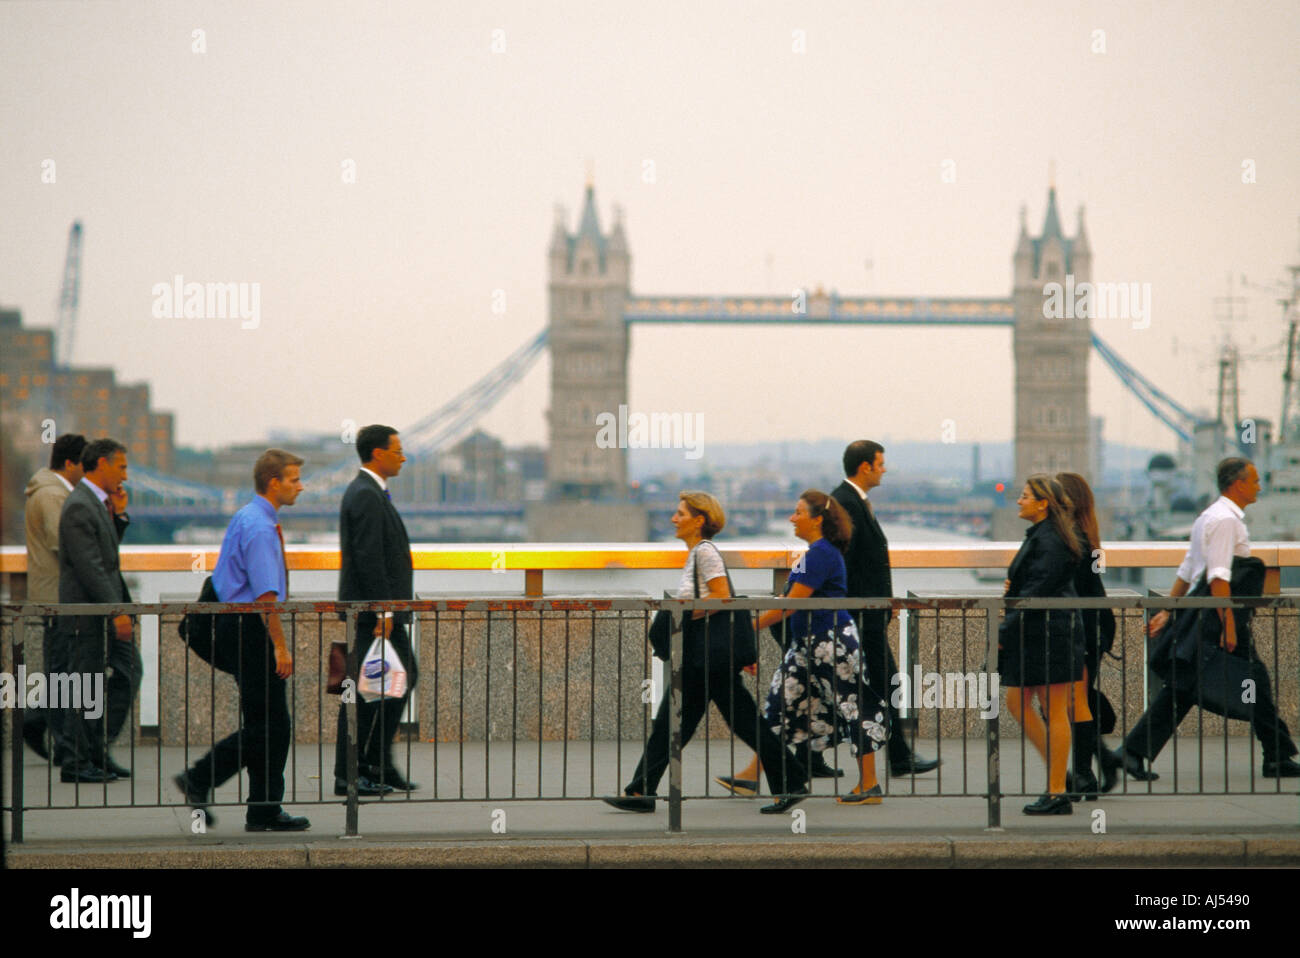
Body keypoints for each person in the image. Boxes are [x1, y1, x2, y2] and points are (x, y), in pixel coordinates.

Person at [603, 491, 810, 815]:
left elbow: (721, 597)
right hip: (705, 660)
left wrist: (680, 616)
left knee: (707, 723)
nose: (674, 519)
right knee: (684, 724)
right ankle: (641, 789)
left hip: (705, 660)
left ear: (699, 520)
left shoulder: (704, 553)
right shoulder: (699, 554)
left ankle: (642, 790)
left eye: (680, 514)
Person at [1106, 458, 1300, 783]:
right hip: (1219, 614)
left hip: (1201, 611)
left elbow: (1188, 569)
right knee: (1254, 681)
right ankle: (1276, 756)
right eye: (1254, 481)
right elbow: (1219, 576)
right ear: (1237, 484)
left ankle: (1132, 753)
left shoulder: (1207, 516)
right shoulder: (1227, 522)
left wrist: (1169, 609)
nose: (1259, 486)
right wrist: (1228, 625)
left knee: (1185, 685)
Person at [175, 449, 310, 832]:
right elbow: (266, 596)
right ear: (274, 483)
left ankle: (264, 809)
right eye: (294, 479)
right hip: (249, 629)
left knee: (266, 721)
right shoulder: (260, 528)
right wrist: (280, 647)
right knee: (270, 726)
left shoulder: (247, 516)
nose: (301, 486)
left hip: (235, 624)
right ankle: (201, 778)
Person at [756, 490, 891, 805]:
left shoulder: (820, 554)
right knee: (778, 706)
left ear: (817, 519)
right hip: (808, 645)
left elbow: (789, 604)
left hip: (830, 643)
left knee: (853, 708)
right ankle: (753, 776)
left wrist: (744, 626)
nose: (792, 517)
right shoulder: (817, 553)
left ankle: (869, 785)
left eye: (798, 512)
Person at [831, 441, 937, 776]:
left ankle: (898, 756)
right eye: (880, 463)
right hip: (861, 613)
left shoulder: (852, 501)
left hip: (868, 611)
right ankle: (898, 758)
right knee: (881, 681)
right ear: (865, 467)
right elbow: (847, 560)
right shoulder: (847, 502)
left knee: (874, 683)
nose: (884, 469)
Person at [333, 425, 417, 796]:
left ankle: (377, 763)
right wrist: (383, 611)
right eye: (397, 451)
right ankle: (349, 774)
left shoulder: (371, 492)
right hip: (374, 614)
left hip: (384, 612)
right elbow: (368, 558)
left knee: (397, 681)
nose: (403, 456)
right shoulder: (366, 494)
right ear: (378, 454)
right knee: (364, 692)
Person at [999, 474, 1088, 815]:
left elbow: (1038, 588)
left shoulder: (1049, 539)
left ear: (1042, 504)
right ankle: (1058, 777)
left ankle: (1057, 790)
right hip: (1042, 632)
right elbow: (1034, 583)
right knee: (1019, 701)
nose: (1019, 501)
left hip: (1050, 633)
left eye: (1024, 496)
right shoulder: (1047, 535)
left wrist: (1006, 626)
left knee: (1052, 709)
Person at [57, 438, 143, 784]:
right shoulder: (79, 505)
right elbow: (91, 566)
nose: (125, 473)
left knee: (128, 670)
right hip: (87, 613)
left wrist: (118, 515)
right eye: (121, 466)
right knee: (85, 685)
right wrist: (116, 612)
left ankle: (97, 750)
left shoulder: (97, 503)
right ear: (102, 464)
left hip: (102, 610)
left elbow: (105, 553)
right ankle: (76, 762)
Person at [22, 433, 103, 765]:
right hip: (58, 595)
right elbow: (68, 546)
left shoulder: (48, 492)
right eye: (83, 466)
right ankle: (44, 726)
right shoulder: (54, 497)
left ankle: (48, 728)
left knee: (62, 668)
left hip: (52, 593)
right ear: (70, 463)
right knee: (63, 669)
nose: (86, 473)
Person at [1056, 472, 1118, 799]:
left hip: (1080, 632)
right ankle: (1095, 765)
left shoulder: (1072, 541)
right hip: (1094, 628)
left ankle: (1084, 774)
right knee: (1072, 703)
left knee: (1068, 704)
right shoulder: (1087, 538)